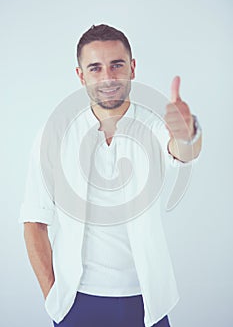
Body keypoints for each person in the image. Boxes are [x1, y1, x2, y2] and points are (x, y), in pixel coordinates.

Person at [19, 24, 202, 327]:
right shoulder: (54, 134)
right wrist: (54, 298)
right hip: (75, 301)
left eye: (117, 65)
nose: (107, 78)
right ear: (81, 75)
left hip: (147, 302)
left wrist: (187, 132)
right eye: (95, 68)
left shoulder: (155, 126)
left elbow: (184, 151)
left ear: (132, 68)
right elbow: (34, 222)